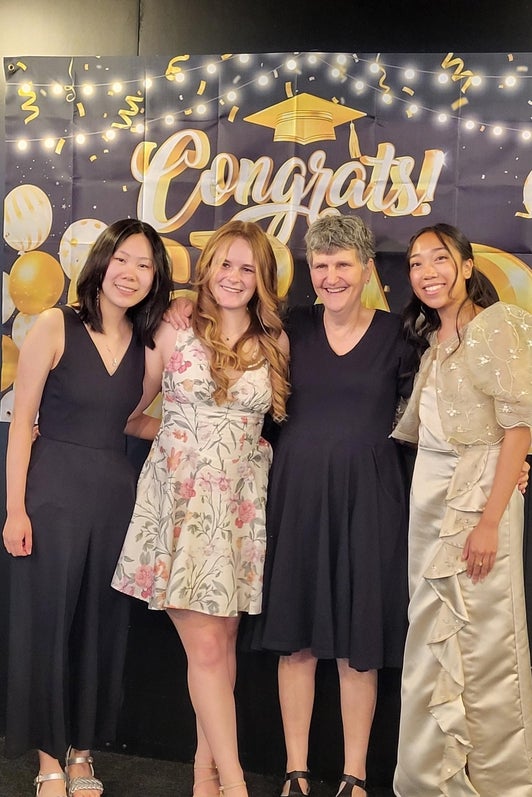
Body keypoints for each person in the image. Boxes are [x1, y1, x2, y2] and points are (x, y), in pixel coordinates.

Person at [111, 220, 290, 797]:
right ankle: (234, 784)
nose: (235, 277)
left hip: (238, 512)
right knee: (208, 649)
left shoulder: (276, 342)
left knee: (223, 647)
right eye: (226, 264)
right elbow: (130, 414)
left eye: (248, 268)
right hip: (182, 508)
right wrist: (186, 433)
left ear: (263, 279)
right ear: (207, 267)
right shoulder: (172, 329)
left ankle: (202, 776)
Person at [2, 218, 173, 797]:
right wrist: (15, 510)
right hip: (50, 496)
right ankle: (49, 757)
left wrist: (205, 429)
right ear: (101, 262)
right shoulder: (54, 325)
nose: (131, 273)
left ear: (155, 278)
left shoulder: (147, 350)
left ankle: (82, 754)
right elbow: (21, 424)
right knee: (47, 626)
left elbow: (129, 421)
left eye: (145, 264)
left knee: (102, 630)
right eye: (123, 258)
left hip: (114, 500)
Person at [251, 214, 416, 797]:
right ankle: (295, 770)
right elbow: (218, 331)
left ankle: (355, 774)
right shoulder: (290, 325)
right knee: (294, 638)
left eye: (343, 264)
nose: (331, 276)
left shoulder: (400, 335)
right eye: (321, 266)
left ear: (367, 269)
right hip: (296, 499)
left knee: (358, 646)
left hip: (372, 501)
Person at [392, 223, 532, 796]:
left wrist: (491, 520)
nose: (428, 272)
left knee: (484, 644)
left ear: (468, 266)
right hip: (430, 500)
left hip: (477, 501)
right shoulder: (434, 340)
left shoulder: (496, 325)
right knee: (432, 642)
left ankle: (499, 783)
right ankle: (433, 780)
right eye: (417, 263)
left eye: (440, 259)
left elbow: (518, 426)